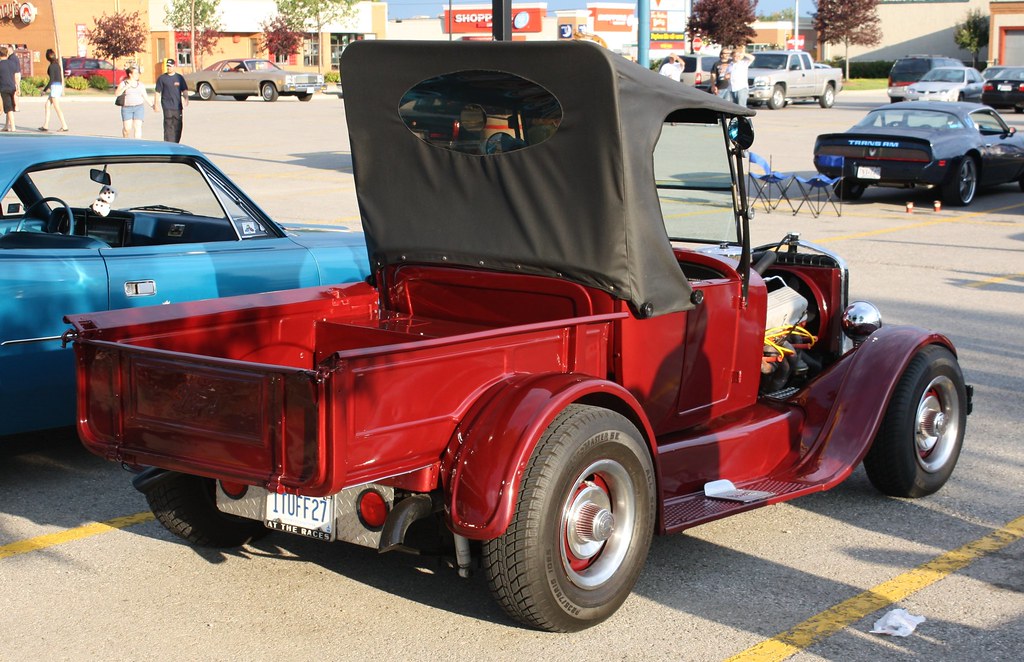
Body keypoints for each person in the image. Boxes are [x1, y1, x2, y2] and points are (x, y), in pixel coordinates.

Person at [153, 58, 189, 143]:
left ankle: (176, 142)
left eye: (170, 66)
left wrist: (186, 98)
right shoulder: (162, 78)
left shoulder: (179, 78)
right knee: (168, 125)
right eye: (167, 66)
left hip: (177, 106)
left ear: (174, 66)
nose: (168, 68)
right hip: (167, 106)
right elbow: (157, 92)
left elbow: (184, 90)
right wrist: (156, 104)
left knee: (178, 125)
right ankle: (168, 143)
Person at [114, 66, 151, 138]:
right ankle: (125, 139)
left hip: (139, 107)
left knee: (138, 127)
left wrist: (153, 105)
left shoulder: (140, 84)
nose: (138, 75)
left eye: (138, 73)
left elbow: (145, 96)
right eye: (136, 73)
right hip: (127, 108)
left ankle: (137, 145)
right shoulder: (123, 83)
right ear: (130, 74)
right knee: (127, 128)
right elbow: (116, 94)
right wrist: (125, 88)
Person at [39, 48, 69, 132]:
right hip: (58, 86)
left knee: (57, 107)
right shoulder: (57, 65)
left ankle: (64, 125)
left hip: (55, 87)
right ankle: (45, 125)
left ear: (47, 57)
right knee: (47, 105)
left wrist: (44, 90)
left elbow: (51, 80)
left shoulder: (52, 66)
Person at [0, 45, 19, 131]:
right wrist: (17, 86)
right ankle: (6, 126)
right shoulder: (12, 63)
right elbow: (16, 75)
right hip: (12, 87)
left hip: (4, 88)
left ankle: (13, 127)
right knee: (9, 106)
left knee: (8, 108)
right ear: (7, 54)